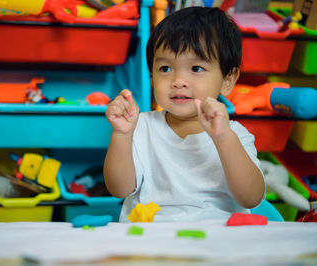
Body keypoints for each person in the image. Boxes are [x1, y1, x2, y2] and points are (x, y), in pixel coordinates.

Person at [103, 6, 265, 222]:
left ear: (227, 80)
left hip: (216, 238)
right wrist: (121, 136)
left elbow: (251, 198)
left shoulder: (234, 134)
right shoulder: (141, 126)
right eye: (165, 69)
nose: (178, 81)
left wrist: (223, 138)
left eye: (196, 68)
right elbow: (119, 189)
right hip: (149, 238)